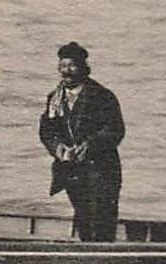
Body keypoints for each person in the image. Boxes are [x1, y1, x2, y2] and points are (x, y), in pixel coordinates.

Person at [39, 41, 124, 242]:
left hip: (101, 171)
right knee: (83, 216)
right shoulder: (55, 98)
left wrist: (89, 146)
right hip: (72, 171)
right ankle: (87, 258)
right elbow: (46, 130)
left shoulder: (102, 96)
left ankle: (103, 259)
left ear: (83, 68)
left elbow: (115, 130)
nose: (66, 71)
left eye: (71, 66)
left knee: (102, 217)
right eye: (62, 66)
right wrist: (58, 149)